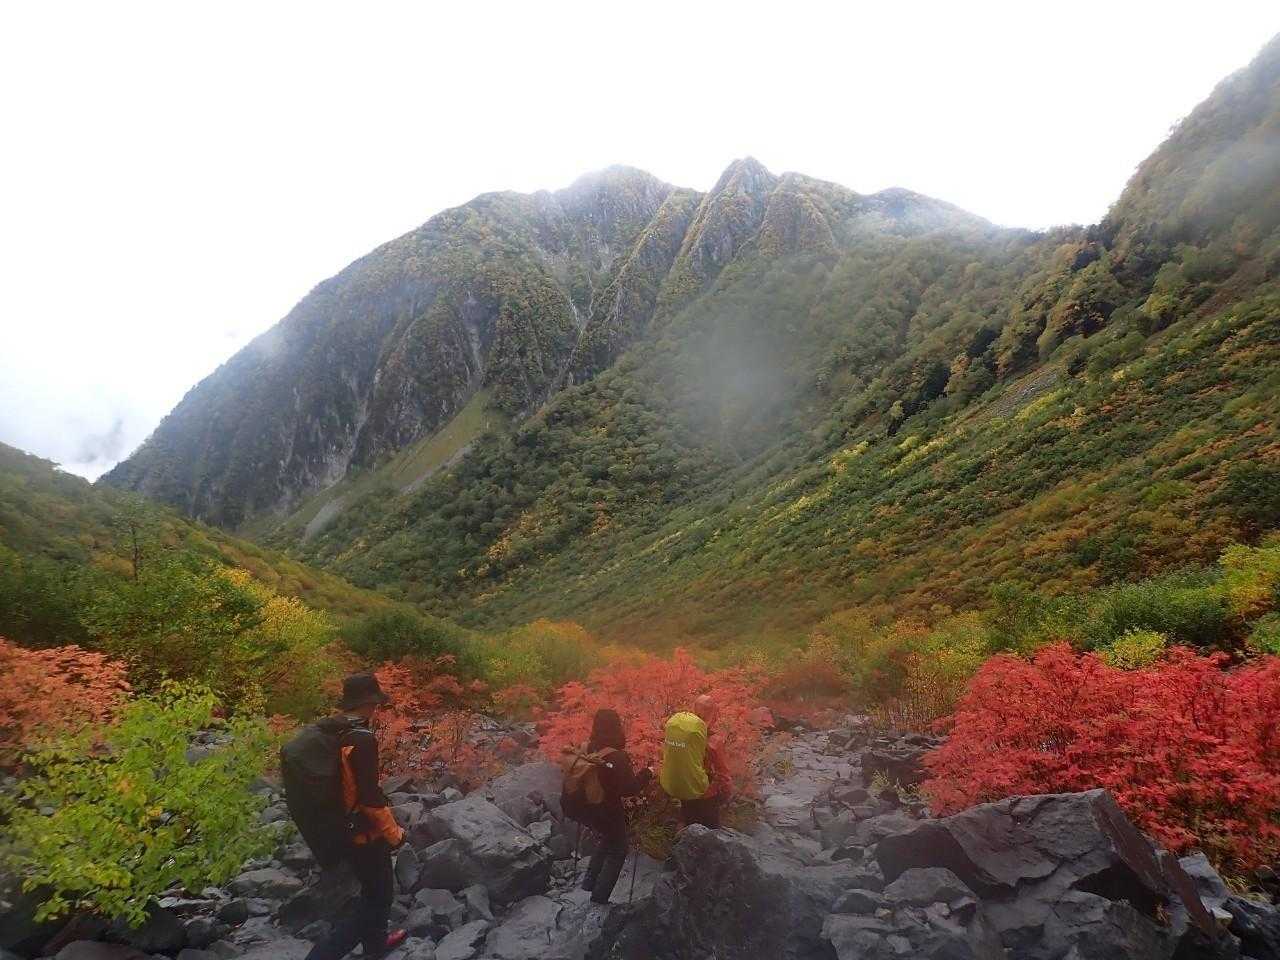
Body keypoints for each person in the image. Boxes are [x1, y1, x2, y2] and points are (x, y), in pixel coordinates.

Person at [304, 673, 407, 960]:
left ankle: (376, 946)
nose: (376, 708)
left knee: (373, 892)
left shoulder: (336, 731)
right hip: (363, 832)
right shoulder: (361, 739)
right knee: (378, 899)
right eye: (375, 702)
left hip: (340, 824)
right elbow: (370, 797)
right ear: (368, 703)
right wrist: (395, 834)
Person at [578, 709, 653, 904]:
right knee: (618, 850)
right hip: (610, 810)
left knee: (606, 839)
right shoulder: (617, 757)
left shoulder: (588, 748)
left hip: (589, 807)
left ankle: (589, 882)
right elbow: (629, 789)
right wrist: (647, 773)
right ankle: (599, 898)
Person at [680, 694, 730, 829]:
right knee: (710, 835)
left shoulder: (683, 733)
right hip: (707, 795)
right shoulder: (714, 740)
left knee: (690, 830)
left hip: (686, 792)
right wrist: (725, 794)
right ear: (713, 714)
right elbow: (723, 773)